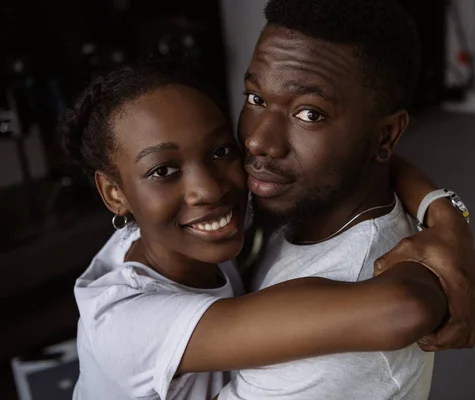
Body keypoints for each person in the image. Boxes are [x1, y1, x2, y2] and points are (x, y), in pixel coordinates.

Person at [60, 58, 450, 400]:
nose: (210, 189)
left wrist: (445, 215)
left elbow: (358, 157)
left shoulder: (179, 229)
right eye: (163, 171)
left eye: (220, 151)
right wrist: (449, 251)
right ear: (114, 193)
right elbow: (403, 309)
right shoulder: (127, 325)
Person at [217, 0, 475, 399]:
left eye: (309, 114)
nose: (257, 140)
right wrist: (445, 210)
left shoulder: (336, 355)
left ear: (386, 136)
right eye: (256, 98)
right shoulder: (305, 195)